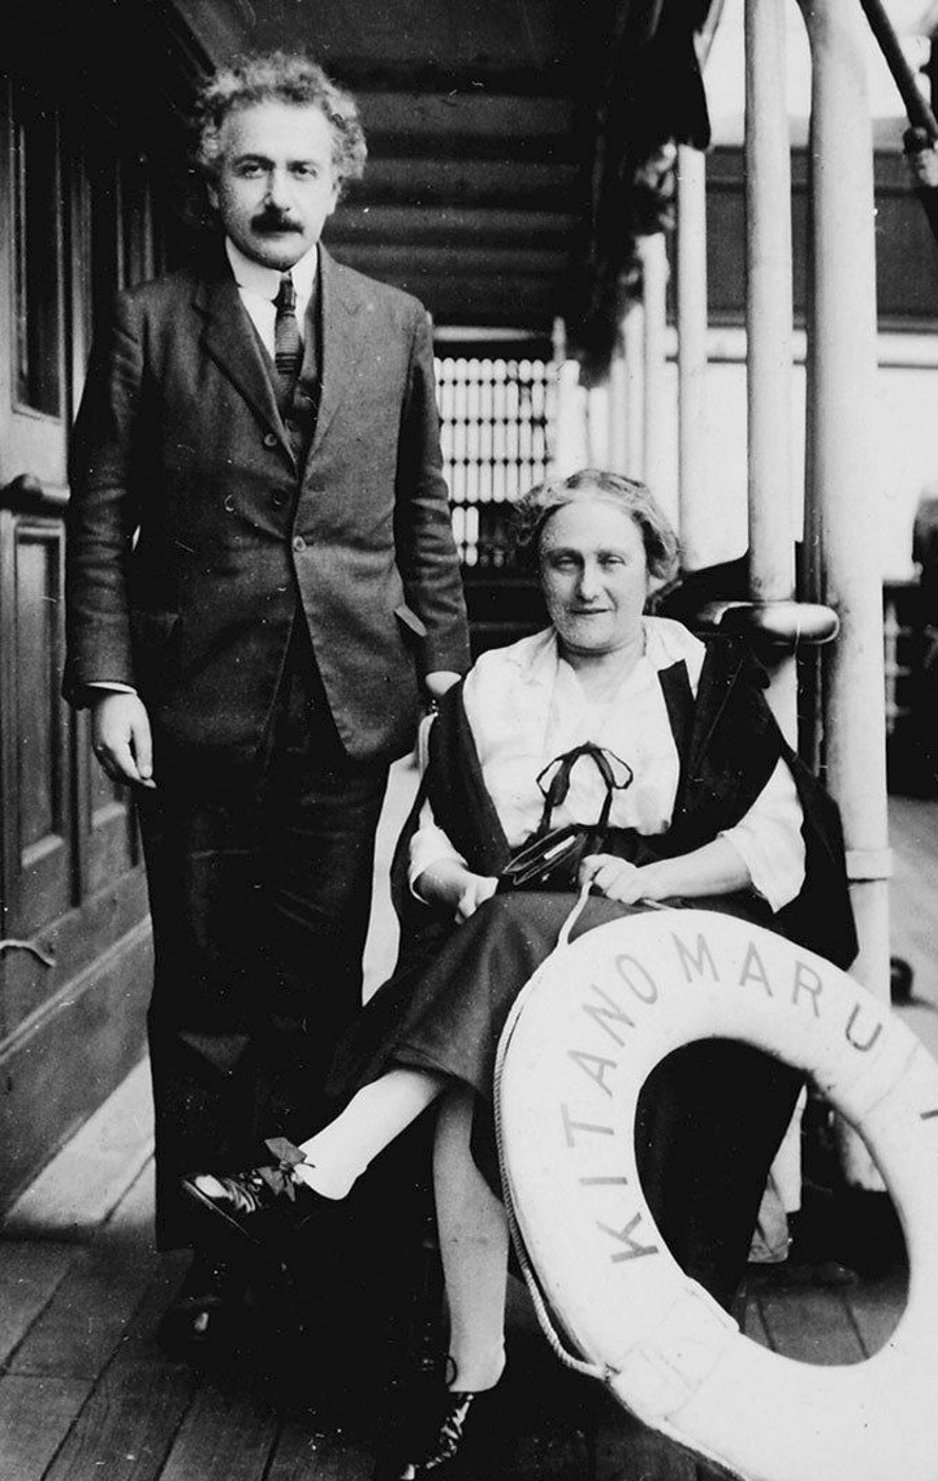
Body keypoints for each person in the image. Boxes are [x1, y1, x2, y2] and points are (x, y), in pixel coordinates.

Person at [182, 469, 857, 1476]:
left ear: (653, 572)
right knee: (487, 1038)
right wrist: (459, 885)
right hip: (522, 945)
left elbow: (774, 845)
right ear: (536, 571)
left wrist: (647, 873)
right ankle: (470, 1368)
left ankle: (325, 1170)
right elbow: (426, 848)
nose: (589, 585)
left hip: (675, 934)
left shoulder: (699, 674)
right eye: (565, 561)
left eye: (612, 562)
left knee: (506, 944)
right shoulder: (496, 683)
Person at [62, 52, 470, 1340]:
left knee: (316, 972)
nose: (277, 192)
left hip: (347, 697)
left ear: (339, 180)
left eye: (302, 168)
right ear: (214, 181)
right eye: (253, 168)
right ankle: (213, 1254)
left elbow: (420, 507)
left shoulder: (395, 321)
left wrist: (444, 660)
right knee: (202, 982)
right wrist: (109, 678)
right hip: (192, 696)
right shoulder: (148, 320)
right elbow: (101, 513)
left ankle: (300, 1222)